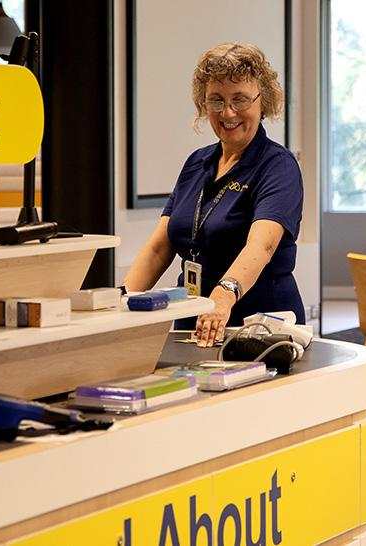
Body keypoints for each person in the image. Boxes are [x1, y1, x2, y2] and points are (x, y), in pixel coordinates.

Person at [124, 42, 304, 347]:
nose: (228, 112)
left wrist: (224, 295)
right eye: (216, 101)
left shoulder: (278, 166)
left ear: (264, 102)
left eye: (240, 99)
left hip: (256, 327)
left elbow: (262, 245)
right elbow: (159, 248)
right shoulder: (197, 162)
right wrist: (123, 301)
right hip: (192, 318)